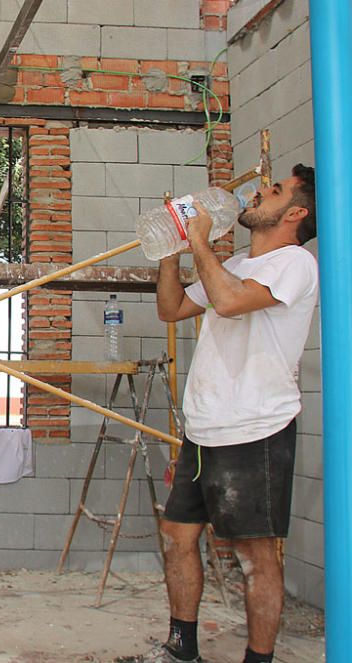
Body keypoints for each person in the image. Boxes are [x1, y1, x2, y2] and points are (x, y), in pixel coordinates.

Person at [140, 164, 318, 663]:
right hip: (205, 427)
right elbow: (171, 308)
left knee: (255, 557)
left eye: (275, 190)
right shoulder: (238, 261)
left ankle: (257, 659)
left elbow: (232, 302)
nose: (261, 191)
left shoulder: (295, 264)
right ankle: (182, 649)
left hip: (256, 428)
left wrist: (200, 241)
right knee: (177, 537)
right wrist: (173, 250)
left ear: (295, 213)